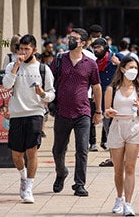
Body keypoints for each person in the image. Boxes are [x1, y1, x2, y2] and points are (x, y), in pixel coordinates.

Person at [2, 34, 55, 203]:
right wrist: (16, 66)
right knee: (16, 155)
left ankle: (29, 187)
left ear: (34, 50)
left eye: (27, 49)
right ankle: (23, 177)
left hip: (35, 113)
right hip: (17, 114)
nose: (23, 52)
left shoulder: (43, 69)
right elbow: (6, 85)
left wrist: (43, 94)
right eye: (21, 49)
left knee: (32, 151)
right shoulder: (12, 65)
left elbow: (52, 94)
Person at [50, 28, 101, 197]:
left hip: (83, 112)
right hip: (62, 112)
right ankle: (61, 172)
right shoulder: (59, 59)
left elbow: (96, 86)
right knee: (58, 149)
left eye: (75, 39)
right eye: (70, 37)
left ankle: (79, 184)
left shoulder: (90, 63)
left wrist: (98, 110)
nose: (71, 41)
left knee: (82, 149)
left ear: (84, 43)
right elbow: (49, 80)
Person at [104, 57, 139, 216]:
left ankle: (128, 204)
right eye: (130, 67)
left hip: (133, 127)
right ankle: (119, 198)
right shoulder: (112, 88)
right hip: (117, 126)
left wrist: (138, 107)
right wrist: (108, 112)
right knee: (118, 169)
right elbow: (106, 111)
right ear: (122, 69)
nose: (133, 71)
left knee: (130, 167)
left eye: (136, 68)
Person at [92, 37, 124, 165]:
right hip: (105, 103)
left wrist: (119, 64)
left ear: (105, 47)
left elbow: (133, 72)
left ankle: (122, 157)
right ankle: (113, 158)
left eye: (99, 47)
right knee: (109, 130)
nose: (96, 50)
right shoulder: (94, 64)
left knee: (121, 131)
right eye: (94, 47)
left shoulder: (117, 57)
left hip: (120, 100)